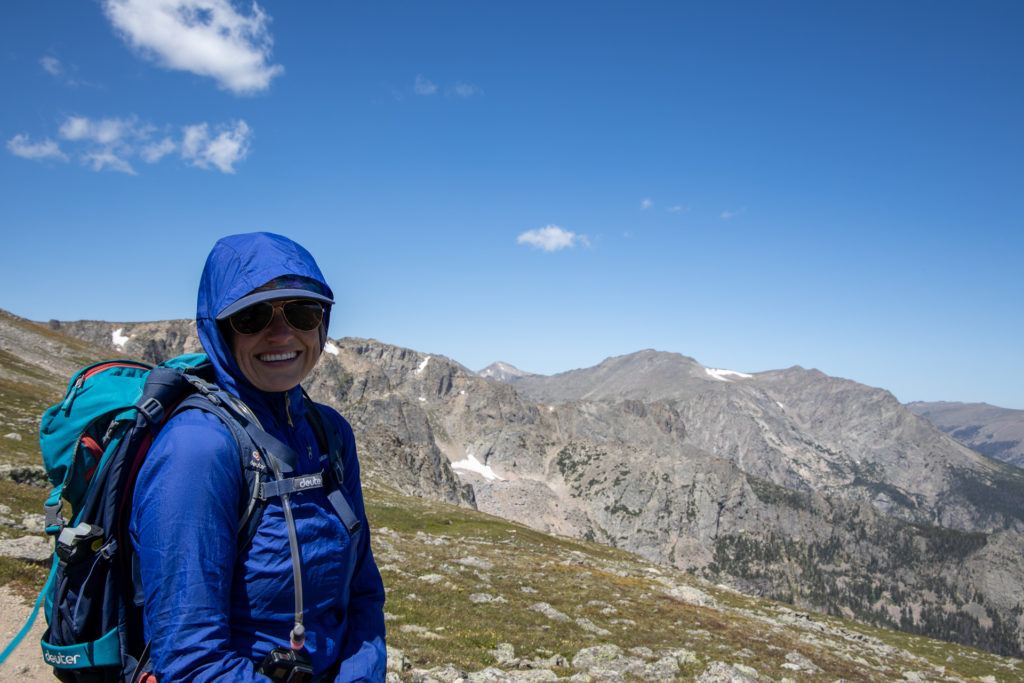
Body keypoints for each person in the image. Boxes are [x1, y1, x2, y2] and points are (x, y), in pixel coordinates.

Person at [130, 232, 386, 682]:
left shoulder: (330, 433)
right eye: (252, 316)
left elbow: (362, 591)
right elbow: (190, 659)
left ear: (322, 324)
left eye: (303, 312)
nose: (282, 333)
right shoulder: (197, 448)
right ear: (219, 329)